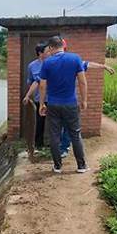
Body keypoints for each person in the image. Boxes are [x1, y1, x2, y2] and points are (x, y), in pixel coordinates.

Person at [39, 36, 88, 173]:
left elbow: (42, 86)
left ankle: (57, 166)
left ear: (50, 48)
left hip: (53, 105)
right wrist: (84, 100)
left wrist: (42, 104)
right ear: (62, 45)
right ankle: (81, 166)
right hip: (70, 103)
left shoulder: (47, 63)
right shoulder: (75, 59)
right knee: (75, 134)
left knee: (54, 136)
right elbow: (82, 82)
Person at [59, 59, 116, 158]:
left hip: (67, 101)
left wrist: (104, 66)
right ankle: (60, 147)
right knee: (60, 125)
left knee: (67, 125)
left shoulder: (71, 62)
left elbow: (88, 64)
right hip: (55, 101)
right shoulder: (50, 62)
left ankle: (63, 147)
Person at [23, 43, 49, 149]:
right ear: (40, 53)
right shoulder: (32, 66)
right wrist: (29, 95)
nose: (48, 53)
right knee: (40, 121)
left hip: (53, 98)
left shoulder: (51, 64)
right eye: (46, 51)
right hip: (40, 98)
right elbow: (31, 81)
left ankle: (56, 144)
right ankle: (39, 144)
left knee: (55, 121)